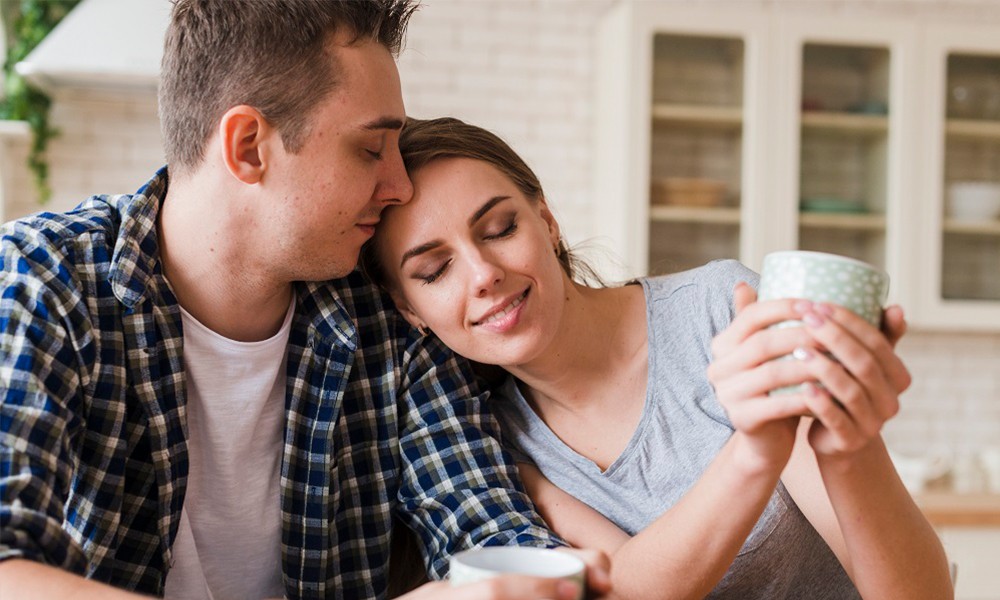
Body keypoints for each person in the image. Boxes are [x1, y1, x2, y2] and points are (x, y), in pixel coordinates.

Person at [0, 3, 612, 600]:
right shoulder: (44, 280)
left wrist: (535, 567)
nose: (398, 186)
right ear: (248, 147)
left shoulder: (383, 313)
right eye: (371, 150)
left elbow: (493, 535)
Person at [364, 116, 955, 599]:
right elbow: (629, 592)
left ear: (547, 221)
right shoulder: (498, 443)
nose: (484, 274)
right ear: (409, 307)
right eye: (434, 270)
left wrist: (850, 450)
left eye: (498, 228)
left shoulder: (722, 311)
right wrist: (752, 451)